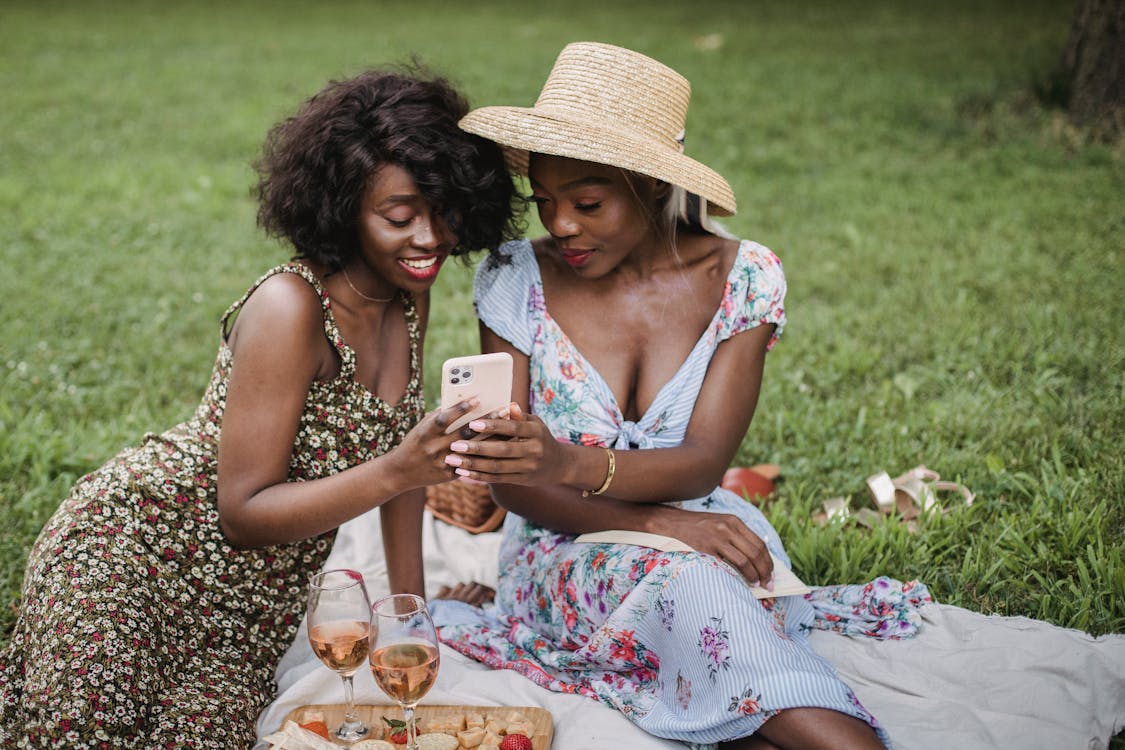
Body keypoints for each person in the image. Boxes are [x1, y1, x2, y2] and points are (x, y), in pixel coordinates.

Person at [0, 67, 519, 748]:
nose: (429, 238)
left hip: (252, 611)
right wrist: (399, 469)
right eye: (399, 217)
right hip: (136, 553)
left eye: (445, 211)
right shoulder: (290, 306)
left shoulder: (405, 292)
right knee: (89, 731)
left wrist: (409, 620)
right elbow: (243, 513)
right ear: (343, 208)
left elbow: (405, 474)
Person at [431, 43, 929, 750]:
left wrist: (573, 464)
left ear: (653, 184)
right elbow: (517, 488)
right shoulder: (516, 278)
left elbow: (701, 463)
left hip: (711, 527)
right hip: (561, 547)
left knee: (714, 597)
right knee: (691, 587)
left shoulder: (744, 278)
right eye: (544, 202)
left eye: (587, 202)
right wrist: (659, 527)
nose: (560, 225)